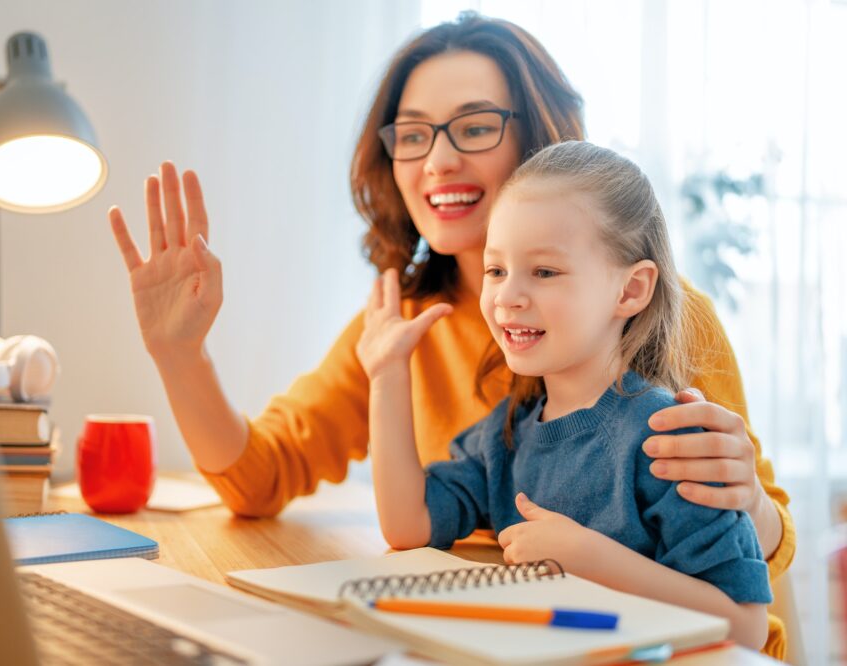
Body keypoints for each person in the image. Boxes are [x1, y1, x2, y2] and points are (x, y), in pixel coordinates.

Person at [107, 13, 793, 656]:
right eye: (412, 134)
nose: (436, 160)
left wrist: (749, 503)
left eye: (473, 127)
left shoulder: (664, 318)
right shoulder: (401, 324)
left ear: (539, 140)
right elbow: (261, 477)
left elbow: (755, 567)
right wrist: (181, 354)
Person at [356, 140, 771, 648]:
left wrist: (594, 560)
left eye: (545, 272)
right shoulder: (507, 435)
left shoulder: (672, 440)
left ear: (631, 290)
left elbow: (745, 627)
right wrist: (387, 375)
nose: (507, 296)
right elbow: (408, 524)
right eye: (496, 270)